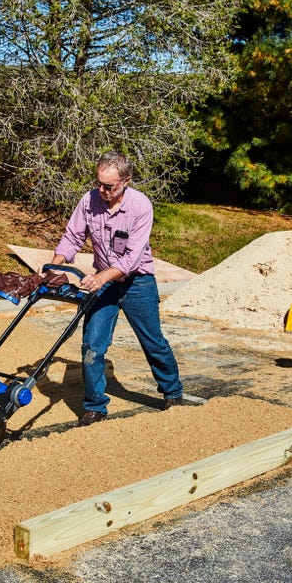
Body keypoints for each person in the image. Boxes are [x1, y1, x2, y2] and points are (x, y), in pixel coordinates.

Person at [51, 152, 184, 426]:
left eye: (109, 186)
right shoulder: (89, 200)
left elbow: (131, 258)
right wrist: (55, 266)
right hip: (105, 285)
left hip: (138, 283)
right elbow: (73, 236)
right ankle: (95, 407)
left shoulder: (140, 206)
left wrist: (100, 278)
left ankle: (172, 392)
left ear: (126, 181)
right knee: (92, 345)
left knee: (153, 342)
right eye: (99, 183)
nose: (102, 191)